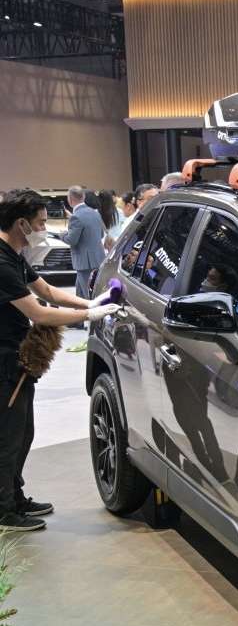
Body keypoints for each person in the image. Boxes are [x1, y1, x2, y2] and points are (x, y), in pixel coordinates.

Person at [0, 190, 119, 531]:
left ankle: (14, 497)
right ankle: (4, 510)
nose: (43, 229)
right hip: (4, 361)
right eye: (39, 223)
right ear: (21, 224)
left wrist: (90, 302)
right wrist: (90, 315)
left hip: (17, 358)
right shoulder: (1, 263)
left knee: (23, 433)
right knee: (8, 437)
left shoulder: (13, 255)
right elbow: (40, 312)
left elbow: (48, 291)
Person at [60, 185, 106, 309]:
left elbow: (71, 240)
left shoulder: (76, 217)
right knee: (81, 292)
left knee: (89, 296)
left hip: (84, 262)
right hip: (98, 258)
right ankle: (79, 316)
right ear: (83, 197)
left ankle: (94, 319)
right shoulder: (95, 213)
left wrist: (62, 235)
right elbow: (101, 234)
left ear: (70, 199)